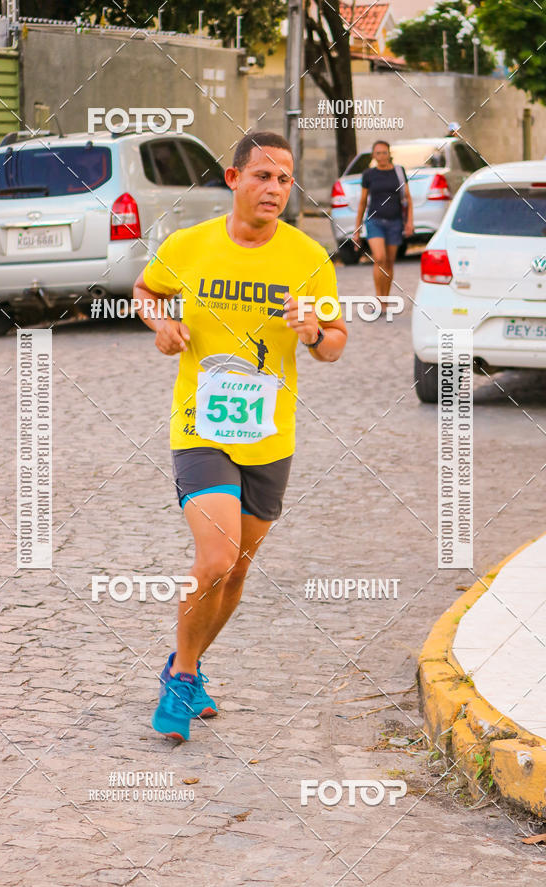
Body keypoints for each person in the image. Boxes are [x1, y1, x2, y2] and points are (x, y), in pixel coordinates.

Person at [133, 130, 348, 742]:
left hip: (271, 438)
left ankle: (189, 667)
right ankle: (179, 681)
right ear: (233, 180)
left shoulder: (308, 257)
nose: (275, 189)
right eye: (263, 176)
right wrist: (161, 321)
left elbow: (335, 345)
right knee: (216, 557)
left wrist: (314, 333)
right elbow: (147, 291)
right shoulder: (189, 246)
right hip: (201, 428)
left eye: (284, 179)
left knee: (238, 573)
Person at [354, 139, 414, 312]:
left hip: (395, 222)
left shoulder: (399, 172)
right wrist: (357, 229)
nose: (381, 156)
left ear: (389, 153)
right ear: (374, 155)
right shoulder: (368, 174)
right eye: (378, 153)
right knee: (379, 258)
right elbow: (363, 202)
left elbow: (408, 198)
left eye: (384, 152)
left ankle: (385, 301)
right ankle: (379, 299)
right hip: (374, 221)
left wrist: (410, 222)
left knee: (389, 262)